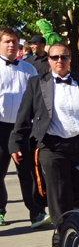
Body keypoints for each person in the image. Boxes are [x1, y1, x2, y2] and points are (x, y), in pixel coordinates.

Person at [9, 42, 79, 224]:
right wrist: (15, 142)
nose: (59, 60)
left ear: (70, 59)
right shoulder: (36, 84)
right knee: (58, 191)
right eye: (55, 57)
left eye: (64, 57)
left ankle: (74, 223)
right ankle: (62, 233)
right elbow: (24, 115)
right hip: (51, 146)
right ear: (49, 60)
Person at [0, 27, 50, 228]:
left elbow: (38, 99)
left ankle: (37, 212)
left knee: (29, 172)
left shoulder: (28, 69)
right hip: (1, 127)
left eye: (14, 41)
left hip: (23, 129)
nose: (11, 45)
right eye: (7, 41)